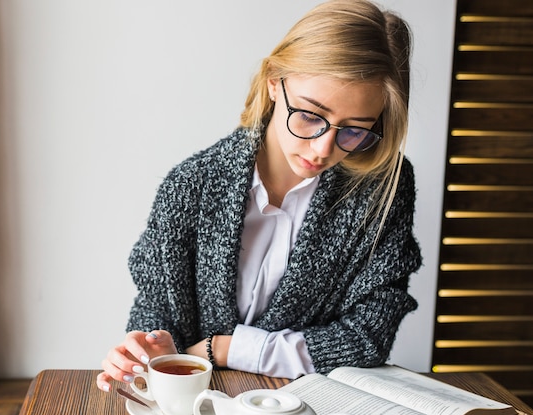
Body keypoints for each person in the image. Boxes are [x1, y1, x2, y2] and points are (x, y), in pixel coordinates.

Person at [97, 0, 421, 392]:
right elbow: (157, 315)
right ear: (273, 82)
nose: (323, 149)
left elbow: (367, 338)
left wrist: (226, 350)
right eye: (309, 115)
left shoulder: (384, 189)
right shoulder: (190, 187)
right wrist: (154, 348)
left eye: (353, 130)